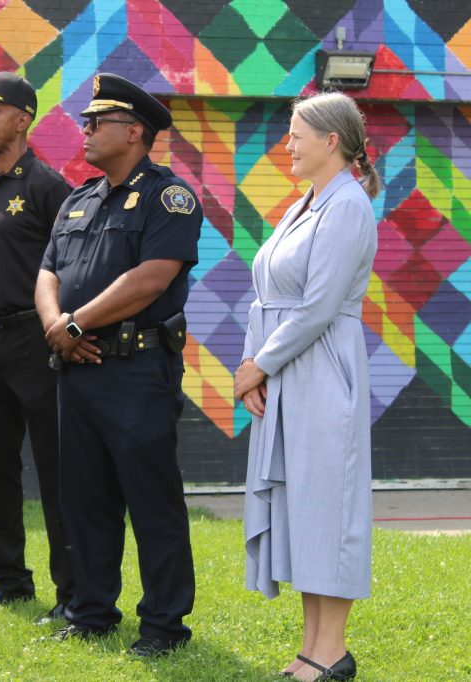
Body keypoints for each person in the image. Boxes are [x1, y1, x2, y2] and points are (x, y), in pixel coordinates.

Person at [34, 73, 200, 655]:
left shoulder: (168, 196)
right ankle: (92, 611)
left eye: (95, 122)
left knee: (150, 499)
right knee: (85, 497)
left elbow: (153, 276)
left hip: (136, 370)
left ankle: (163, 624)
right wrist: (59, 328)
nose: (84, 130)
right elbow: (47, 272)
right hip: (77, 368)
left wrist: (75, 324)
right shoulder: (78, 198)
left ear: (134, 132)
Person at [234, 92, 379, 682]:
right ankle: (311, 646)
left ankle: (333, 652)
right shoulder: (304, 204)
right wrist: (253, 361)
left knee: (330, 504)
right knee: (302, 504)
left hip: (321, 368)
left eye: (296, 134)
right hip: (285, 367)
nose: (287, 145)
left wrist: (258, 364)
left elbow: (318, 306)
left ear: (331, 142)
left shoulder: (348, 207)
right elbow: (269, 290)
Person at [0, 72, 74, 621]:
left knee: (56, 469)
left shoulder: (50, 187)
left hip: (39, 340)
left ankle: (72, 590)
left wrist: (67, 330)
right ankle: (9, 582)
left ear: (23, 118)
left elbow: (76, 268)